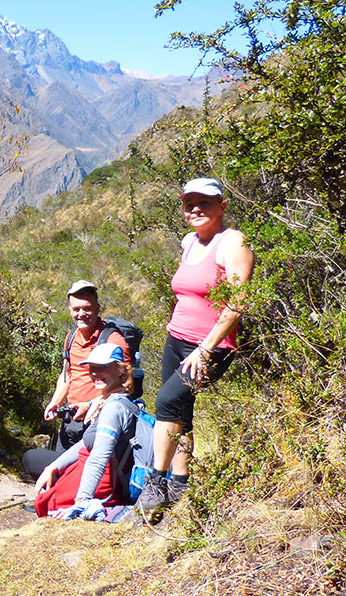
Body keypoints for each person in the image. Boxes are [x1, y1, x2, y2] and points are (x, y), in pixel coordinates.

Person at [136, 178, 254, 513]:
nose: (196, 209)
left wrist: (206, 348)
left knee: (166, 402)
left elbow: (238, 301)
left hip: (211, 347)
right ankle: (180, 487)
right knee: (181, 414)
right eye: (190, 204)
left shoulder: (233, 243)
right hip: (177, 338)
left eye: (205, 202)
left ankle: (155, 483)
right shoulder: (189, 241)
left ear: (222, 206)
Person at [21, 280, 131, 479]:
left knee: (84, 474)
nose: (81, 314)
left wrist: (90, 405)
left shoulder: (113, 340)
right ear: (69, 310)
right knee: (59, 473)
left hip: (98, 423)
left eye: (87, 308)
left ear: (98, 308)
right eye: (76, 309)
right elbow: (66, 375)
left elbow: (127, 386)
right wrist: (55, 403)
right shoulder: (71, 337)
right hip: (70, 420)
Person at [31, 343, 143, 519]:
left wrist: (81, 502)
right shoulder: (108, 401)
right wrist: (53, 467)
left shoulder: (112, 409)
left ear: (120, 370)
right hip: (98, 475)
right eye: (92, 368)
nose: (95, 374)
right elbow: (86, 443)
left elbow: (99, 458)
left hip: (105, 484)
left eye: (103, 368)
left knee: (45, 502)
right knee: (45, 486)